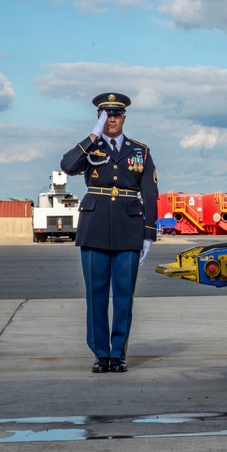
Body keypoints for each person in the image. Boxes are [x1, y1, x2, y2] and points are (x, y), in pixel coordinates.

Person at [60, 92, 158, 374]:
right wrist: (92, 137)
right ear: (99, 118)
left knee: (124, 295)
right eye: (106, 115)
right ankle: (100, 354)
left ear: (124, 117)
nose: (112, 119)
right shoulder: (90, 147)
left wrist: (149, 233)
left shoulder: (140, 151)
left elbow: (150, 192)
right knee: (96, 294)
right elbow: (67, 166)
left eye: (116, 114)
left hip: (129, 228)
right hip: (95, 228)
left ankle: (118, 353)